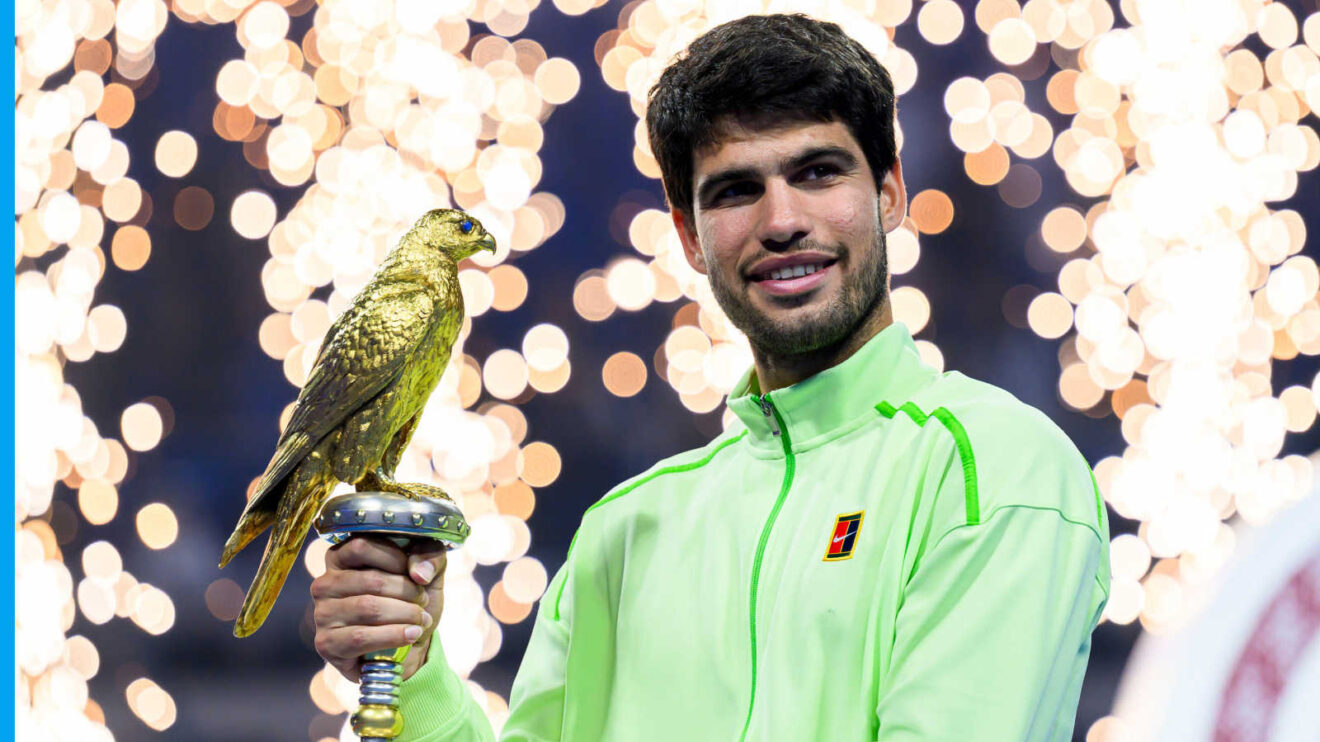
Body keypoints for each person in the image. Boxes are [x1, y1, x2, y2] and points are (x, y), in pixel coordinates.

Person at [310, 13, 1111, 742]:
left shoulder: (996, 470)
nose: (781, 221)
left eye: (818, 172)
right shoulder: (624, 532)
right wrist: (413, 674)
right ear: (690, 238)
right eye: (736, 190)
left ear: (890, 193)